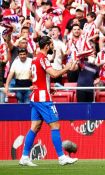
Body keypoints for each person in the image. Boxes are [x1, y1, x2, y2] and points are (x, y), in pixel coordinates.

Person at [19, 36, 78, 166]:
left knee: (35, 127)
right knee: (55, 125)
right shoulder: (42, 58)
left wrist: (41, 85)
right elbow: (54, 74)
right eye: (51, 45)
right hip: (43, 98)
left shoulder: (34, 58)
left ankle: (24, 157)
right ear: (46, 46)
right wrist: (67, 68)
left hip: (35, 96)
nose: (52, 47)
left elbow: (30, 75)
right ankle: (62, 157)